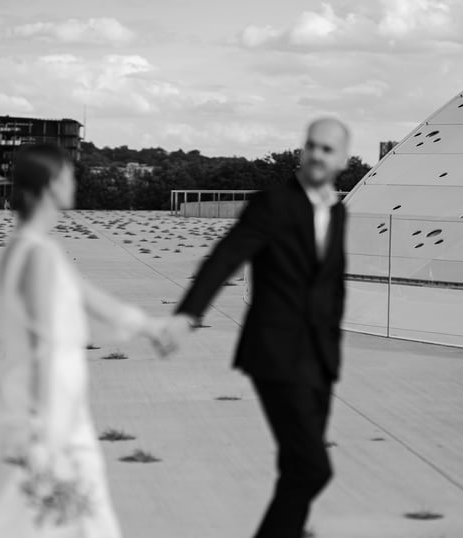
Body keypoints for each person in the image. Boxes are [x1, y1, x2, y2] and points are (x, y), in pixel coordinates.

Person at [0, 144, 167, 538]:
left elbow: (90, 298)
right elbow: (42, 341)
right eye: (68, 175)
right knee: (63, 508)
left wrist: (150, 327)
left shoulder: (36, 248)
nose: (74, 182)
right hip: (48, 398)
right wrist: (43, 426)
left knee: (55, 509)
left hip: (58, 396)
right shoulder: (37, 254)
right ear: (51, 184)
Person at [158, 117, 351, 538]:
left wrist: (332, 343)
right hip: (276, 354)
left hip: (319, 359)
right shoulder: (273, 203)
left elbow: (332, 282)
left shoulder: (338, 212)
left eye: (327, 149)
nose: (317, 155)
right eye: (311, 146)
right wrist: (188, 314)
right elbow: (226, 256)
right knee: (314, 468)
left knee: (296, 469)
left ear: (343, 159)